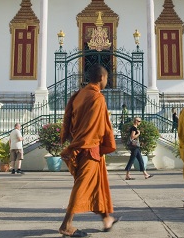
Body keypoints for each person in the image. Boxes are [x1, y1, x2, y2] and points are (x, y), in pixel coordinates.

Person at [59, 64, 120, 237]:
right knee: (82, 186)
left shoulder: (79, 95)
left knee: (97, 185)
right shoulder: (97, 98)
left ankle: (106, 218)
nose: (107, 81)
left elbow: (70, 120)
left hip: (83, 145)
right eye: (107, 78)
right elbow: (99, 127)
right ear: (102, 78)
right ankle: (66, 224)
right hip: (89, 147)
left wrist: (74, 141)